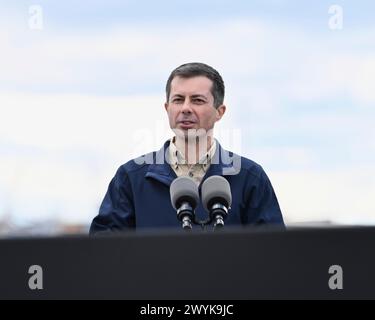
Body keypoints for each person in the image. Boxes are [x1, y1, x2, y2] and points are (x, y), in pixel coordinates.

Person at [89, 62, 284, 234]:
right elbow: (104, 255)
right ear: (167, 108)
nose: (185, 108)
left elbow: (273, 256)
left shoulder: (250, 177)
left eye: (197, 100)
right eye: (178, 99)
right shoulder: (130, 178)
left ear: (220, 111)